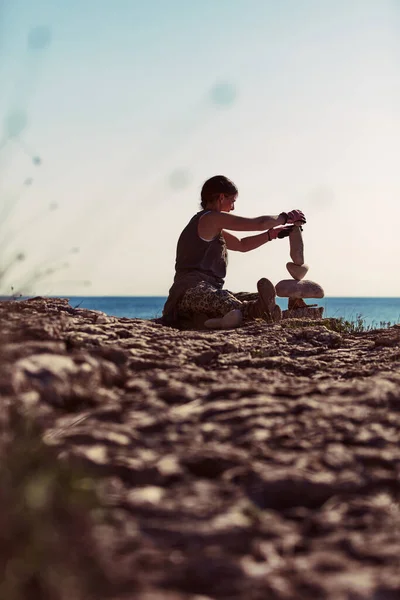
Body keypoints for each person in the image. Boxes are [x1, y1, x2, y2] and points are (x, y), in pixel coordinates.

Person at [162, 175, 306, 329]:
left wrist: (272, 235)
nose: (233, 207)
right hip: (188, 293)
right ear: (222, 197)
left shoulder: (213, 227)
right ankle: (256, 313)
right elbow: (258, 223)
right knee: (224, 299)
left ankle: (238, 315)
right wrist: (286, 217)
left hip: (209, 290)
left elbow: (241, 245)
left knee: (255, 297)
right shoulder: (209, 219)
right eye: (233, 201)